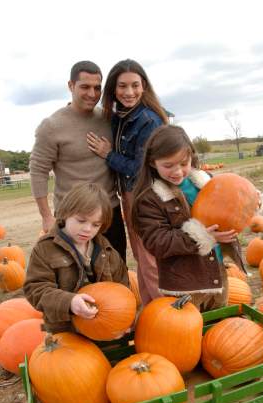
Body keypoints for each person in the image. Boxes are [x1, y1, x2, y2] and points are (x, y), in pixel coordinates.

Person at [131, 125, 247, 311]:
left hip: (215, 270)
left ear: (191, 157)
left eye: (183, 164)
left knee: (218, 324)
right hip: (184, 282)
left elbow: (230, 205)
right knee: (188, 330)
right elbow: (157, 241)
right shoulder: (150, 199)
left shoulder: (206, 182)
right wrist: (205, 237)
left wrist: (248, 203)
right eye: (168, 165)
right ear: (153, 163)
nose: (177, 172)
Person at [87, 59, 168, 305]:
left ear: (144, 85)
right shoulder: (122, 116)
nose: (129, 92)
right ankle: (151, 307)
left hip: (144, 195)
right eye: (122, 86)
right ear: (113, 89)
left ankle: (167, 313)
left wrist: (108, 154)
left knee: (149, 258)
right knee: (142, 256)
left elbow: (139, 168)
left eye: (135, 85)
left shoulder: (147, 120)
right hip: (130, 195)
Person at [30, 60, 126, 261]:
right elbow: (38, 171)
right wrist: (47, 216)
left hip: (109, 213)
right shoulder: (52, 126)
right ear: (71, 86)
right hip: (73, 217)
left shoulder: (108, 119)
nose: (92, 94)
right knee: (77, 280)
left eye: (97, 88)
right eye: (85, 87)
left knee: (117, 273)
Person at [24, 182, 129, 334]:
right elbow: (36, 289)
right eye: (81, 221)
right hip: (66, 331)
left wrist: (123, 317)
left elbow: (122, 284)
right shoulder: (45, 249)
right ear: (66, 213)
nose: (87, 229)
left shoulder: (105, 247)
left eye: (95, 225)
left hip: (103, 327)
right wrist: (69, 302)